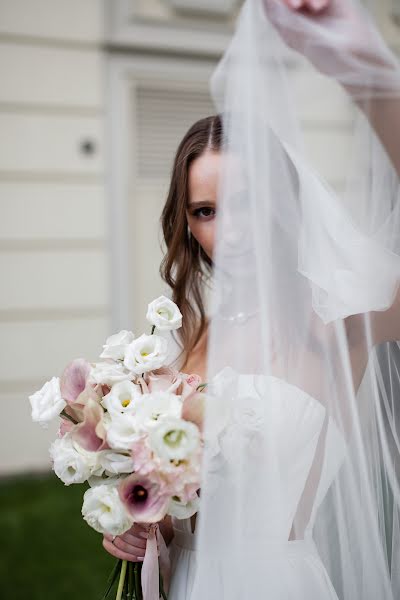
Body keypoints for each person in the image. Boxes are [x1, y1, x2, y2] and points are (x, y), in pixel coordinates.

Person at [103, 1, 400, 598]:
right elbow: (167, 491)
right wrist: (134, 521)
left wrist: (364, 71)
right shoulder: (176, 342)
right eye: (205, 211)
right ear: (185, 224)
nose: (230, 231)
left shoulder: (336, 322)